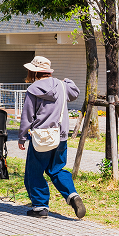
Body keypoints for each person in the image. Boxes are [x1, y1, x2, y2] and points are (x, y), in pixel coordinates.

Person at [18, 56, 86, 219]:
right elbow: (75, 92)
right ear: (48, 71)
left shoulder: (33, 89)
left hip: (41, 138)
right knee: (56, 169)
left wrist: (21, 137)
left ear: (34, 72)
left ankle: (40, 207)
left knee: (33, 173)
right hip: (60, 137)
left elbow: (27, 116)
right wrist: (67, 80)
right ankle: (72, 195)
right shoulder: (62, 86)